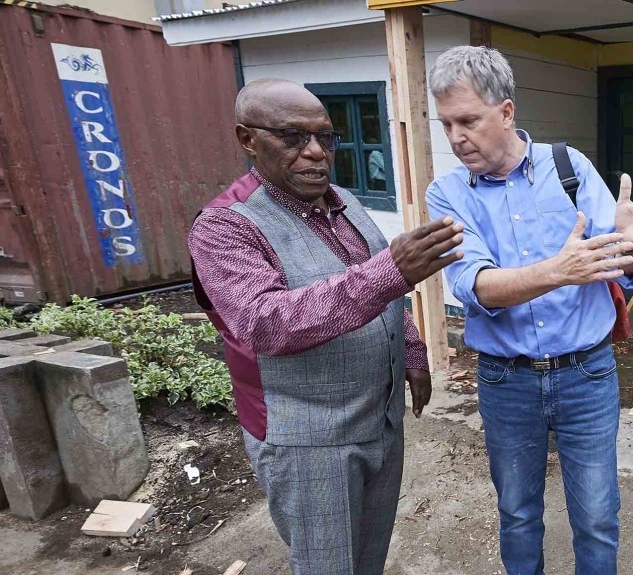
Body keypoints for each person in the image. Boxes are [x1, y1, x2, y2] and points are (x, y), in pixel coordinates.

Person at [424, 46, 633, 575]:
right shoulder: (448, 193)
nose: (456, 137)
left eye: (468, 120)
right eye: (446, 123)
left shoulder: (568, 167)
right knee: (518, 513)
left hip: (587, 374)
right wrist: (560, 270)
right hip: (506, 382)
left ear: (505, 112)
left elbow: (618, 259)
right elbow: (473, 284)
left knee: (596, 514)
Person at [188, 78, 464, 575]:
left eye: (326, 138)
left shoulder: (343, 202)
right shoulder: (224, 227)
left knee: (368, 557)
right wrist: (389, 272)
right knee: (327, 565)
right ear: (247, 139)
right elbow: (264, 323)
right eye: (293, 138)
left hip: (377, 420)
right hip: (308, 439)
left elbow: (388, 291)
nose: (316, 153)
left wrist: (413, 353)